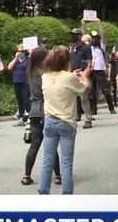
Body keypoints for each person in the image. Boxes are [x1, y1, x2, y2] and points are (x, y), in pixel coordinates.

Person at [38, 46, 92, 194]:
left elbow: (60, 79)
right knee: (66, 162)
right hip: (67, 122)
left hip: (49, 120)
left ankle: (43, 191)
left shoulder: (45, 76)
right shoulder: (69, 78)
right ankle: (67, 194)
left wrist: (72, 76)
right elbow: (84, 89)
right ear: (68, 60)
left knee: (47, 159)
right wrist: (85, 76)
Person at [21, 47, 60, 186]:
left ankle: (26, 175)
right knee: (51, 144)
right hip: (46, 109)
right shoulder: (45, 74)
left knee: (35, 144)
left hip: (34, 111)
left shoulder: (30, 72)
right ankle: (58, 175)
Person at [87, 28, 115, 115]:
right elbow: (84, 36)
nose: (94, 40)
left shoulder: (101, 47)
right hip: (91, 71)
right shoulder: (89, 48)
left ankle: (111, 108)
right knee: (92, 92)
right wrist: (83, 23)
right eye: (93, 38)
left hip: (100, 71)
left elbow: (103, 37)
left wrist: (99, 25)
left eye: (96, 38)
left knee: (105, 90)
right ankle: (93, 109)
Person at [70, 28, 93, 128]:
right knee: (72, 98)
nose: (72, 36)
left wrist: (84, 74)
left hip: (83, 74)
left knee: (84, 97)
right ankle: (72, 119)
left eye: (75, 34)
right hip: (73, 74)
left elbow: (90, 63)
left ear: (80, 36)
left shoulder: (86, 47)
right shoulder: (72, 47)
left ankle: (88, 119)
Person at [8, 44, 30, 126]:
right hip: (16, 82)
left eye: (22, 51)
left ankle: (28, 117)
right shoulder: (15, 60)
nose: (20, 52)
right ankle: (21, 118)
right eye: (19, 51)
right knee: (20, 100)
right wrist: (16, 58)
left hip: (25, 82)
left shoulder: (28, 60)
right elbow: (9, 67)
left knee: (26, 100)